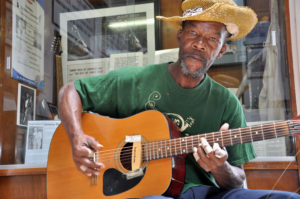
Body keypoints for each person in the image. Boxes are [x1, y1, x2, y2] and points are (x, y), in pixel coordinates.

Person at [57, 0, 300, 198]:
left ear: (222, 50)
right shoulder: (134, 80)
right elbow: (70, 91)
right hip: (146, 193)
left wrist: (220, 168)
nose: (200, 44)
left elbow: (239, 182)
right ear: (180, 36)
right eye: (193, 32)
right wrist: (76, 136)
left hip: (207, 193)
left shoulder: (227, 103)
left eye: (212, 39)